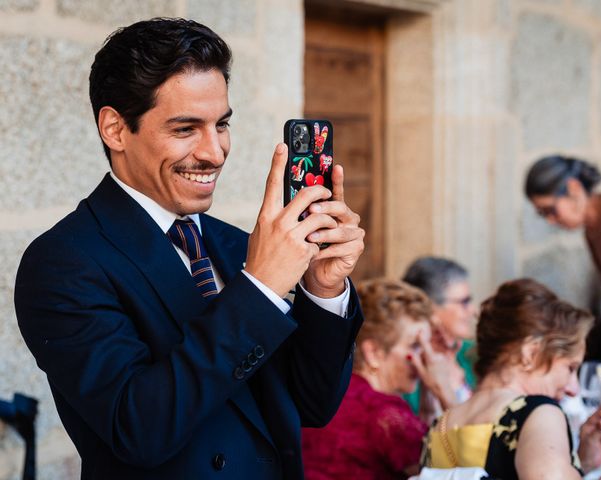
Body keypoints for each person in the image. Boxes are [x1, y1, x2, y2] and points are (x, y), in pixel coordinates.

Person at [14, 18, 365, 480]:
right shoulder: (63, 262)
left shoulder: (236, 244)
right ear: (116, 129)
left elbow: (311, 406)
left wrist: (323, 290)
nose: (215, 152)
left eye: (221, 124)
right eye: (186, 128)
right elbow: (139, 429)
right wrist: (259, 289)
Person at [421, 278, 601, 479]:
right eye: (570, 368)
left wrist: (582, 462)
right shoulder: (538, 412)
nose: (573, 389)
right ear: (530, 354)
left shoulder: (439, 427)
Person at [302, 278, 457, 480]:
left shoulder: (328, 392)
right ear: (374, 352)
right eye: (415, 346)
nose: (425, 358)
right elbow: (451, 470)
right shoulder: (385, 413)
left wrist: (428, 403)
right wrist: (445, 391)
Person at [525, 155, 601, 356]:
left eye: (550, 210)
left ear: (574, 188)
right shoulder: (591, 231)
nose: (551, 220)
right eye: (543, 214)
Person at [402, 257, 476, 422]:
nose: (473, 310)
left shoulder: (475, 354)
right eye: (464, 302)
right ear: (430, 307)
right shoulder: (405, 366)